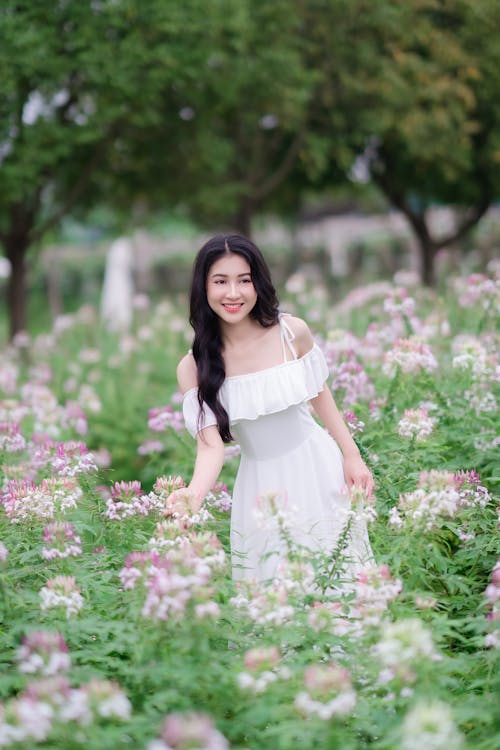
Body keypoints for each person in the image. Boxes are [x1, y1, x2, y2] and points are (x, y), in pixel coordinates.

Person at [166, 234, 374, 584]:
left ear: (258, 283)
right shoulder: (193, 367)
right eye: (221, 281)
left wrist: (351, 455)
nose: (234, 293)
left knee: (337, 575)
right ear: (203, 288)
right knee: (272, 590)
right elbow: (210, 445)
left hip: (317, 468)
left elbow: (319, 393)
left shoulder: (291, 333)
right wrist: (193, 496)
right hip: (258, 485)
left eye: (244, 280)